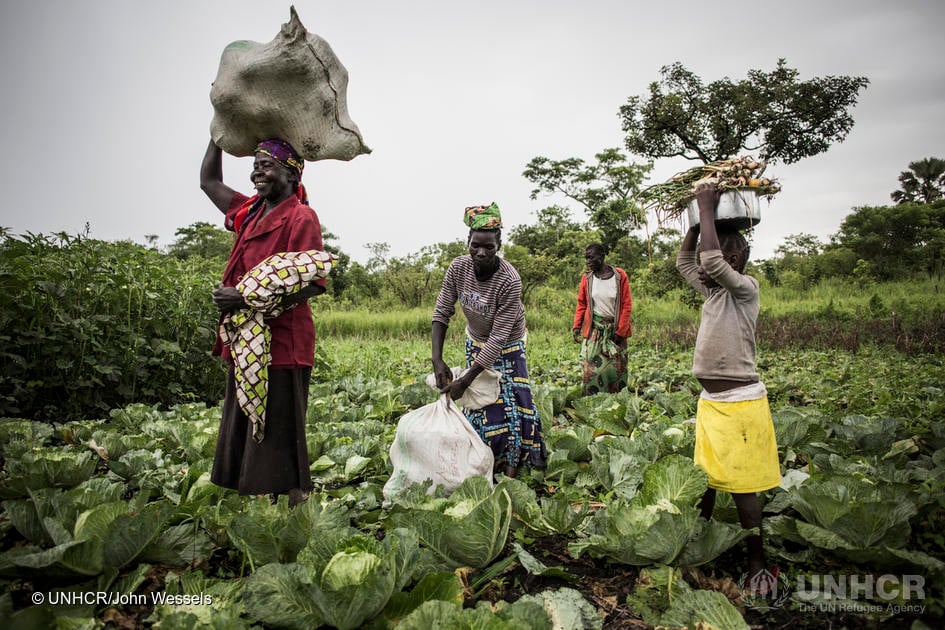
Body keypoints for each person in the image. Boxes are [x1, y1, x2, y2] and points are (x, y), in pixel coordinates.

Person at [200, 138, 326, 506]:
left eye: (267, 165)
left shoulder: (301, 216)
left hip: (284, 338)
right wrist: (217, 133)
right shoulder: (250, 211)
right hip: (247, 339)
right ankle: (264, 498)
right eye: (255, 165)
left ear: (291, 173)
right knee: (248, 413)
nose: (257, 171)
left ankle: (295, 499)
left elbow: (312, 283)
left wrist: (245, 297)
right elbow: (209, 181)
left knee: (281, 424)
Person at [676, 183, 781, 588]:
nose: (704, 266)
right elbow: (688, 263)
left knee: (742, 488)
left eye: (716, 255)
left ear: (733, 257)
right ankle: (700, 543)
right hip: (712, 405)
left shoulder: (744, 288)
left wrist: (706, 208)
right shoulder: (714, 291)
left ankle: (757, 560)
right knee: (707, 481)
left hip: (740, 405)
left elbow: (711, 262)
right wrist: (691, 221)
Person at [431, 203, 547, 478]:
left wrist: (467, 377)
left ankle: (514, 466)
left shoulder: (509, 280)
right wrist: (437, 358)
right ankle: (486, 457)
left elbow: (498, 339)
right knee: (482, 402)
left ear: (499, 245)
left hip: (508, 344)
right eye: (475, 246)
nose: (481, 253)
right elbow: (442, 312)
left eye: (489, 247)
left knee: (515, 403)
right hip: (476, 340)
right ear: (468, 242)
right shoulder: (458, 269)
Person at [572, 243, 633, 395]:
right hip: (595, 330)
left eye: (591, 257)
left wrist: (620, 332)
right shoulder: (587, 278)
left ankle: (616, 400)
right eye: (586, 259)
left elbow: (626, 305)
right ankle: (591, 399)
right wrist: (577, 326)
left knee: (616, 367)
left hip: (615, 330)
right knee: (591, 368)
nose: (588, 262)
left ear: (602, 256)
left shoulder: (619, 277)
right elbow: (582, 303)